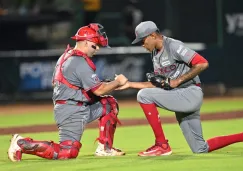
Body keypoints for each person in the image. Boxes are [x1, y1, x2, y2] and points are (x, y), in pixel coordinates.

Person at [116, 21, 243, 156]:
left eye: (143, 40)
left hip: (190, 92)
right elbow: (161, 84)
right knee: (200, 148)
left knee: (143, 95)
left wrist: (177, 81)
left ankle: (162, 144)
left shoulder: (173, 46)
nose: (142, 44)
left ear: (153, 35)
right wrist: (130, 84)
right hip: (179, 95)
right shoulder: (155, 54)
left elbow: (202, 63)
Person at [8, 23, 128, 162]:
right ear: (86, 42)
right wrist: (117, 82)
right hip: (71, 110)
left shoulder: (69, 55)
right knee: (67, 152)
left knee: (109, 104)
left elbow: (82, 85)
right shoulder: (78, 61)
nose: (97, 49)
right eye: (95, 45)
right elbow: (99, 90)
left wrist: (107, 84)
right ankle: (22, 144)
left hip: (78, 105)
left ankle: (105, 149)